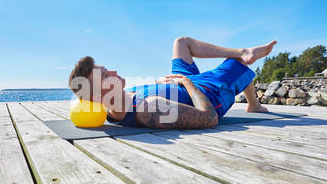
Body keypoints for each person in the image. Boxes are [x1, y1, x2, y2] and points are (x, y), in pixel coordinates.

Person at [68, 37, 277, 129]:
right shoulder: (148, 109)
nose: (113, 72)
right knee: (236, 63)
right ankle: (254, 104)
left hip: (182, 84)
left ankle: (243, 54)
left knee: (181, 43)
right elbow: (209, 118)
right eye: (106, 76)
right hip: (208, 92)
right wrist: (188, 84)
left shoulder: (119, 101)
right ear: (98, 96)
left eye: (106, 69)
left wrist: (160, 81)